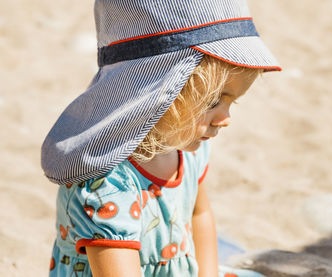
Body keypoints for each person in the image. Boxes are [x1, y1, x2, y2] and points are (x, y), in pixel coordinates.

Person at [42, 0, 281, 276]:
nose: (225, 119)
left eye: (232, 103)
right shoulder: (107, 186)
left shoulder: (188, 148)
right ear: (155, 90)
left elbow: (199, 215)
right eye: (212, 101)